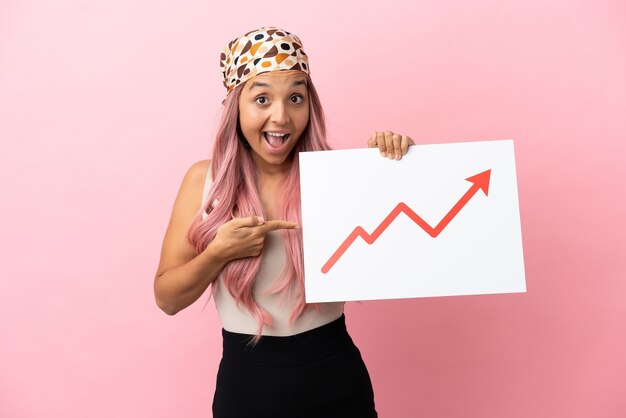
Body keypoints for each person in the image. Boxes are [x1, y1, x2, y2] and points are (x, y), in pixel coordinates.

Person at [153, 26, 414, 418]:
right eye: (262, 99)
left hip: (336, 376)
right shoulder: (203, 182)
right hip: (247, 384)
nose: (282, 116)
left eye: (296, 97)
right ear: (235, 107)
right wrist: (219, 252)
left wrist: (396, 165)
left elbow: (406, 238)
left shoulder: (338, 176)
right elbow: (167, 298)